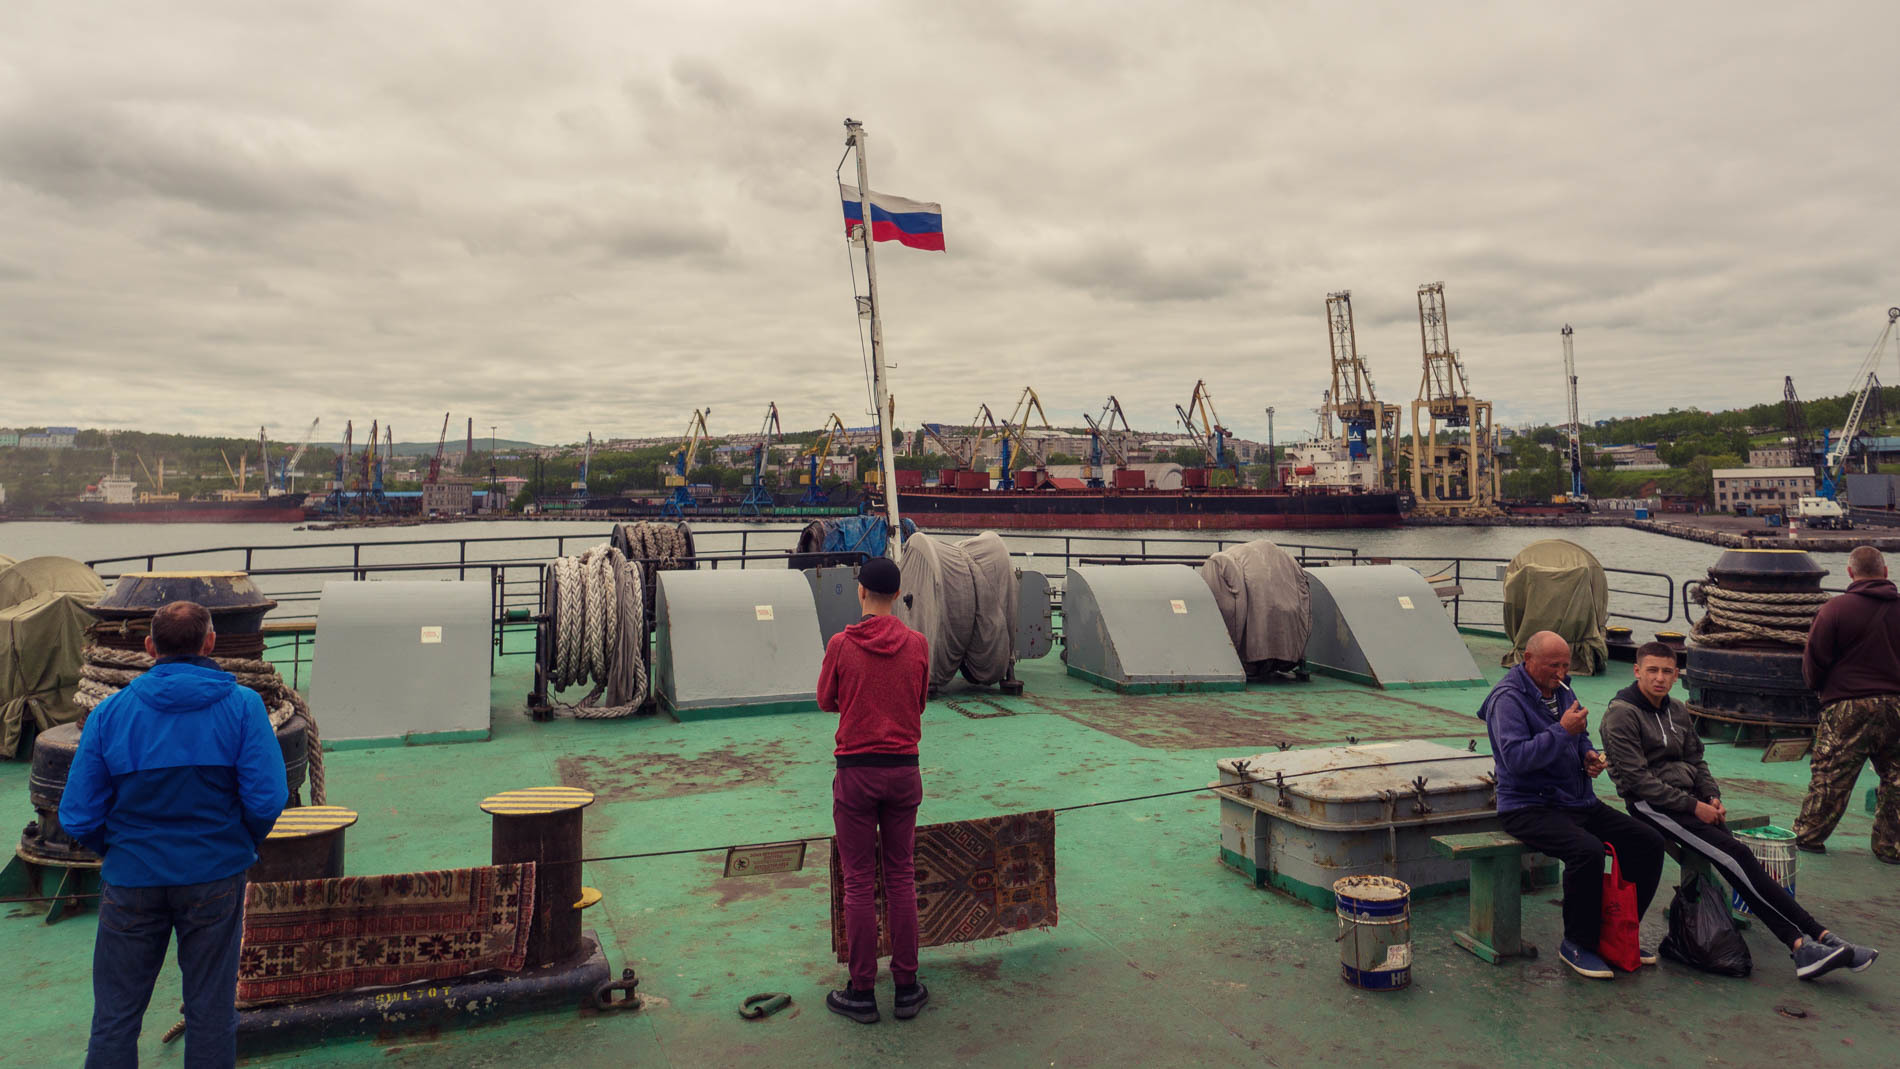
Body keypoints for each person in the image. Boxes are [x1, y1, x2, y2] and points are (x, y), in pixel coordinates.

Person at [59, 601, 288, 1069]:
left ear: (148, 648)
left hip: (131, 880)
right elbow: (266, 800)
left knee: (116, 1015)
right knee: (210, 1010)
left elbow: (78, 815)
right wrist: (234, 842)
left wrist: (121, 850)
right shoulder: (243, 707)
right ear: (210, 642)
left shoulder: (109, 714)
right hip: (215, 876)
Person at [1603, 642, 1877, 979]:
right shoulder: (1622, 714)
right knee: (1736, 857)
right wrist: (1695, 806)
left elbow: (1696, 760)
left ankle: (1816, 940)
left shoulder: (1676, 710)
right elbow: (1637, 781)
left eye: (1666, 671)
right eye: (1652, 671)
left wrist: (1711, 796)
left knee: (1738, 862)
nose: (1659, 678)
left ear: (1676, 675)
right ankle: (1806, 941)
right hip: (1653, 806)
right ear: (1637, 671)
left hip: (1691, 801)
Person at [1478, 630, 1665, 979]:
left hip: (1575, 801)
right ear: (1527, 660)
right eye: (1553, 665)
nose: (1561, 673)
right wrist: (1563, 731)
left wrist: (1588, 756)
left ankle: (1618, 932)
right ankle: (1577, 943)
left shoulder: (1563, 689)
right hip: (1526, 807)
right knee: (1587, 851)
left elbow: (1580, 734)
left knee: (1648, 842)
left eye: (1565, 665)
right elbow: (1515, 759)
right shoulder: (1507, 699)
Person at [817, 555, 931, 1024]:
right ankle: (907, 988)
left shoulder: (842, 645)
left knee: (860, 882)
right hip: (904, 771)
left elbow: (827, 700)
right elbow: (919, 702)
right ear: (896, 596)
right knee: (901, 876)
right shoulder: (918, 645)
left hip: (857, 773)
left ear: (861, 592)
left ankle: (862, 992)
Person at [1795, 545, 1900, 863]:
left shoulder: (1834, 610)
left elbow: (1815, 661)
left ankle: (1810, 836)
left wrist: (1820, 690)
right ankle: (1890, 845)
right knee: (1897, 776)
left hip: (1847, 705)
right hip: (1897, 705)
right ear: (1885, 572)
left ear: (1850, 573)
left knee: (1831, 775)